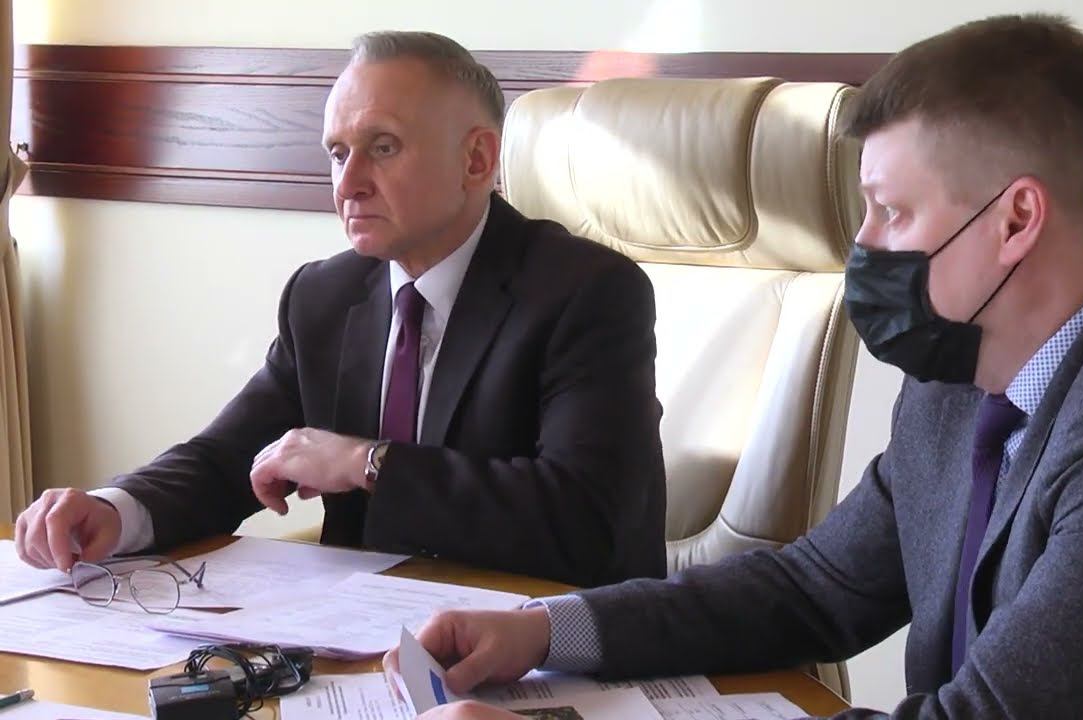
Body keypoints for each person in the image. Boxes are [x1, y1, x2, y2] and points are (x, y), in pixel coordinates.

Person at [384, 14, 1083, 719]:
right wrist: (545, 631)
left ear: (1016, 221)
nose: (863, 246)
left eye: (891, 211)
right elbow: (813, 587)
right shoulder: (960, 375)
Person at [13, 31, 667, 588]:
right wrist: (115, 508)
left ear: (476, 159)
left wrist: (366, 464)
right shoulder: (325, 296)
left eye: (382, 147)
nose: (348, 184)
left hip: (538, 645)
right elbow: (228, 458)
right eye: (337, 152)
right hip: (357, 642)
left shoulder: (587, 292)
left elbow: (585, 522)